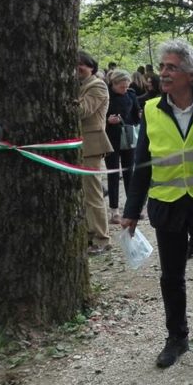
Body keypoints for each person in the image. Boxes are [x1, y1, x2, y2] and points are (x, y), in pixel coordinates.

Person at [121, 40, 193, 370]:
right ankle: (177, 338)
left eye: (171, 67)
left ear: (191, 75)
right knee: (171, 277)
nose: (163, 73)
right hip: (166, 204)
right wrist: (131, 211)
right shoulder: (151, 108)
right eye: (162, 66)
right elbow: (142, 163)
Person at [77, 51, 113, 255]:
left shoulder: (96, 85)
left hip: (92, 145)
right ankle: (91, 234)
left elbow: (83, 111)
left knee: (93, 194)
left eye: (81, 64)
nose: (78, 68)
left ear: (91, 66)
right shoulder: (80, 86)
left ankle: (102, 238)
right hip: (79, 145)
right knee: (85, 194)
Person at [104, 69, 141, 224]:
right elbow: (99, 116)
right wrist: (108, 120)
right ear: (114, 83)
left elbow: (135, 115)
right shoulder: (106, 95)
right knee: (113, 174)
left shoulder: (131, 94)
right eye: (122, 87)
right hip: (110, 138)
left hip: (128, 138)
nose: (124, 89)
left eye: (126, 86)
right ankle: (114, 210)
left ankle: (131, 209)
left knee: (129, 172)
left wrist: (140, 115)